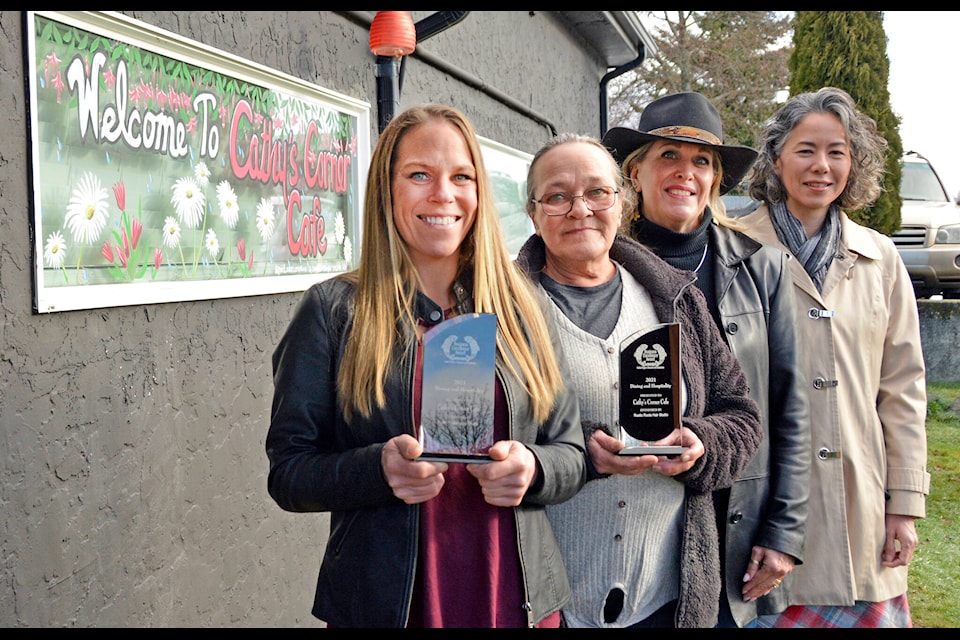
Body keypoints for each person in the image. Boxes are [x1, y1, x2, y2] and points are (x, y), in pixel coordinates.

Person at [265, 103, 588, 628]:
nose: (443, 194)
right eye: (420, 175)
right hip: (390, 609)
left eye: (461, 176)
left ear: (479, 193)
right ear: (386, 189)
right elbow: (289, 472)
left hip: (513, 602)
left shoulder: (523, 307)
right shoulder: (332, 311)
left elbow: (571, 451)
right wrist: (377, 470)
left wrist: (535, 469)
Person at [515, 132, 763, 628]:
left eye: (596, 193)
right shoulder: (503, 308)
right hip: (544, 597)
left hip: (665, 598)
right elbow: (481, 430)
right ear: (534, 212)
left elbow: (741, 417)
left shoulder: (675, 301)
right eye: (557, 196)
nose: (579, 209)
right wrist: (581, 449)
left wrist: (700, 444)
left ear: (621, 199)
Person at [601, 91, 811, 628]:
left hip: (731, 532)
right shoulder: (600, 266)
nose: (685, 173)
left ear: (716, 179)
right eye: (667, 155)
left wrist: (783, 533)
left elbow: (793, 410)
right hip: (626, 524)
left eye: (701, 161)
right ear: (635, 172)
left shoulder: (762, 270)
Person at [737, 86, 930, 628]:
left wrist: (905, 503)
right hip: (766, 510)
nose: (821, 166)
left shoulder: (880, 257)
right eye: (805, 150)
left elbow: (903, 389)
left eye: (837, 151)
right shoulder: (735, 249)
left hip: (860, 509)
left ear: (854, 163)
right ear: (776, 158)